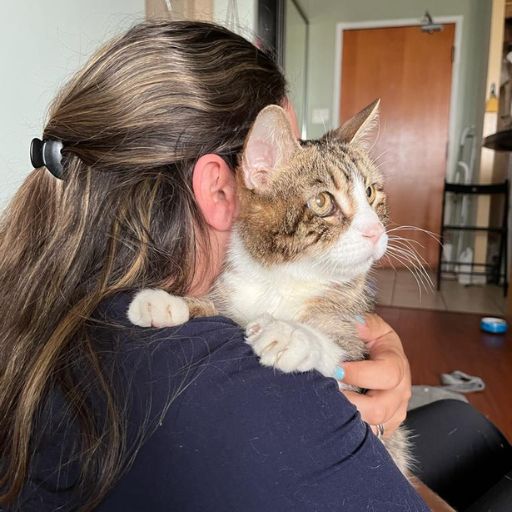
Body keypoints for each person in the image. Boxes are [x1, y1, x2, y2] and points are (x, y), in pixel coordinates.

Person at [0, 19, 434, 511]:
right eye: (269, 155)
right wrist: (371, 427)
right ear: (221, 187)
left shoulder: (40, 304)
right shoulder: (247, 387)